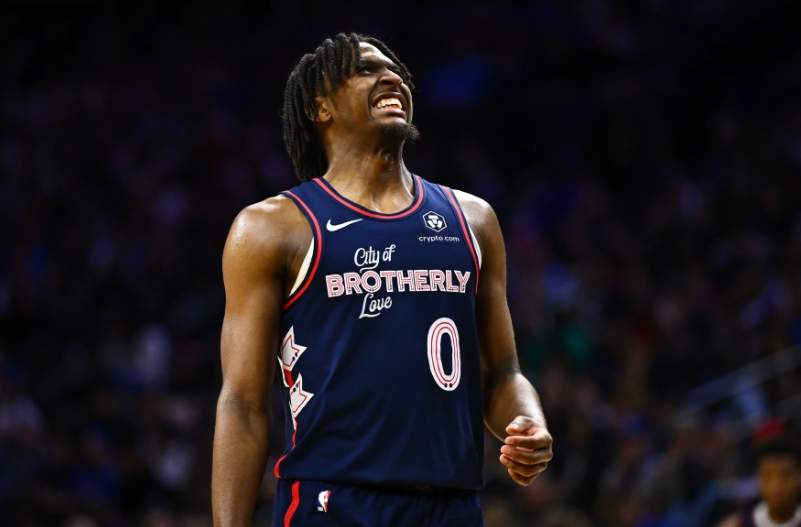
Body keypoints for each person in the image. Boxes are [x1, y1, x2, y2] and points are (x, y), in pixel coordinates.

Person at [211, 33, 553, 527]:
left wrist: (527, 424)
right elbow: (243, 403)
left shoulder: (473, 220)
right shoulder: (272, 228)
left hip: (452, 507)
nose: (391, 77)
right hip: (334, 503)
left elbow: (501, 373)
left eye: (396, 72)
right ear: (321, 107)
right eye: (365, 70)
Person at [717, 436, 801, 527]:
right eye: (768, 476)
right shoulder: (737, 524)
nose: (776, 485)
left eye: (785, 475)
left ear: (800, 477)